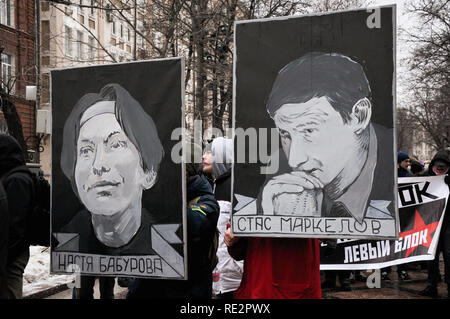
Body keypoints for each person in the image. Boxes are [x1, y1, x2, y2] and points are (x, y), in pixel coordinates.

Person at [255, 52, 395, 226]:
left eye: (309, 130)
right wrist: (269, 222)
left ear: (359, 116)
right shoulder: (278, 177)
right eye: (286, 135)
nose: (295, 160)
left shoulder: (393, 166)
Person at [59, 83, 164, 255]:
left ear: (149, 171)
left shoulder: (166, 247)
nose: (98, 165)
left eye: (116, 145)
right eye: (86, 150)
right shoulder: (65, 243)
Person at [126, 142, 219, 298]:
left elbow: (196, 225)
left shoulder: (206, 201)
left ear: (187, 171)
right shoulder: (155, 196)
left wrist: (167, 199)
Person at [202, 137, 244, 299]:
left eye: (210, 153)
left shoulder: (233, 185)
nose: (203, 157)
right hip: (223, 269)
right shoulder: (217, 184)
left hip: (233, 272)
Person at [0, 134, 34, 299]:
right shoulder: (13, 175)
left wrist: (7, 256)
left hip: (13, 253)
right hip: (11, 249)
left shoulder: (17, 179)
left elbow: (15, 224)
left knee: (10, 292)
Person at [419, 150, 450, 298]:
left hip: (447, 224)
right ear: (433, 165)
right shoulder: (424, 177)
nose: (440, 169)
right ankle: (431, 285)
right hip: (430, 224)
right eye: (438, 167)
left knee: (449, 256)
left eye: (443, 167)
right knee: (431, 256)